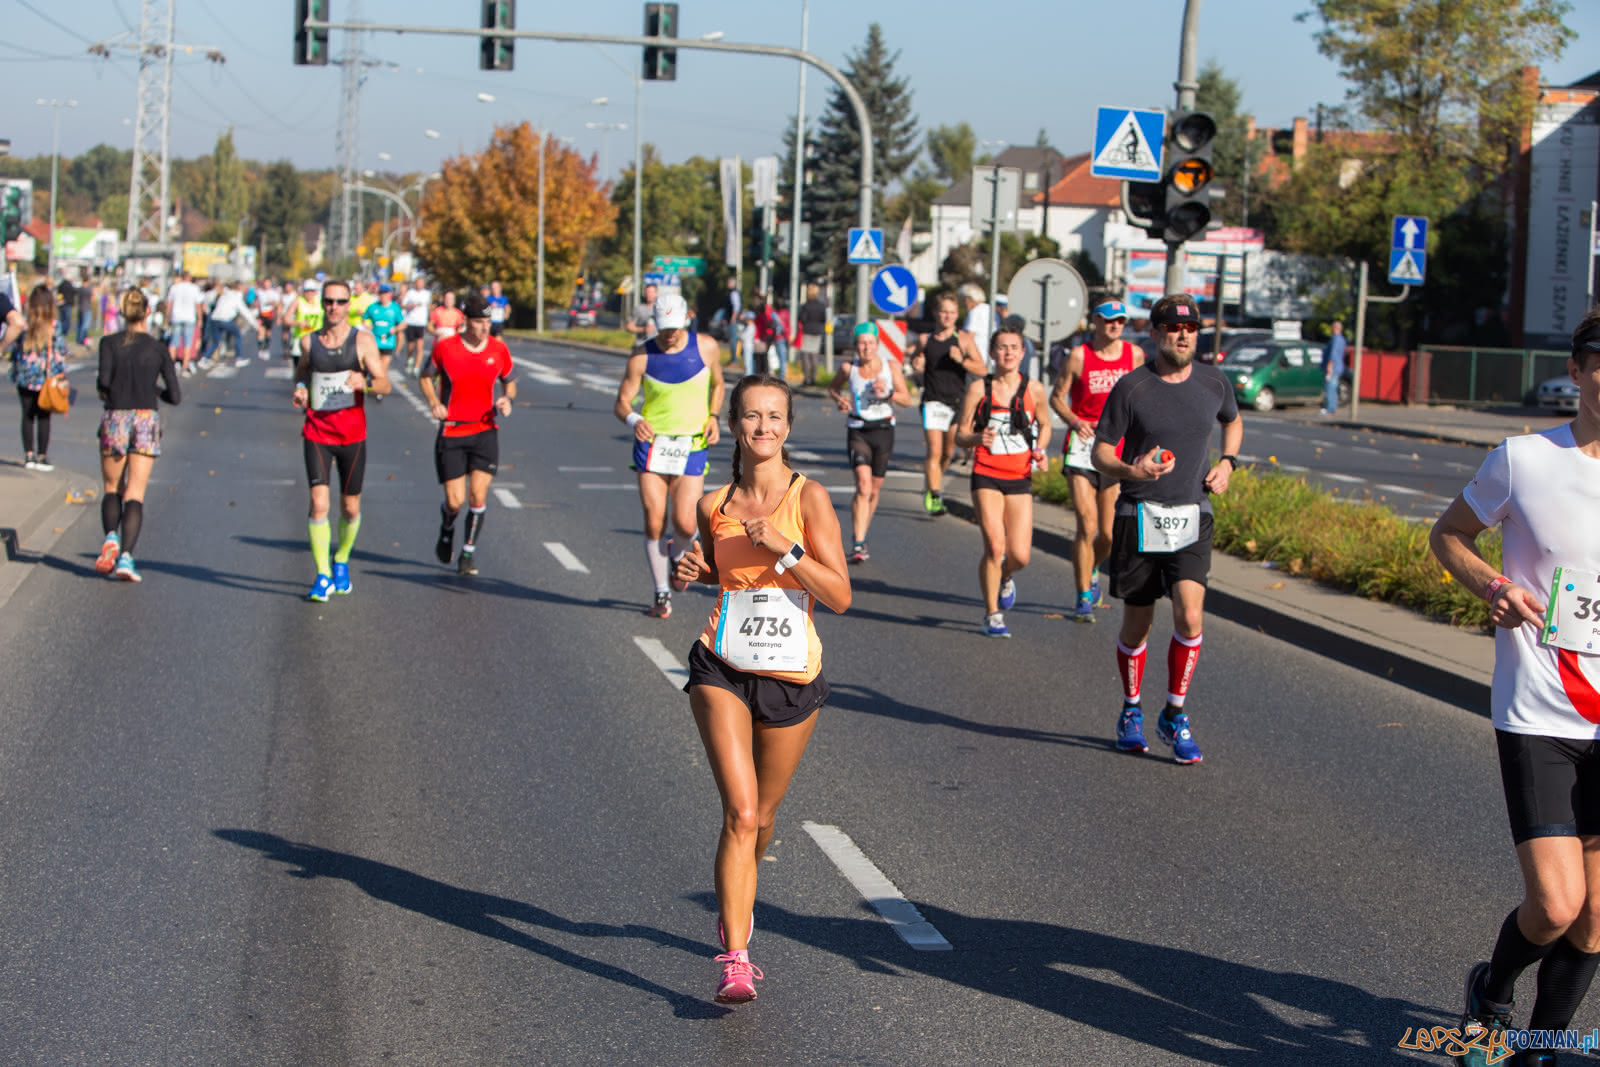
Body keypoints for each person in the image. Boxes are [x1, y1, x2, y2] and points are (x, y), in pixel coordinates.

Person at [1428, 307, 1600, 1067]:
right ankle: (1491, 991)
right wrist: (1492, 585)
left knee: (1596, 921)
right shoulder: (1525, 459)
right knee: (1555, 905)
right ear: (1579, 368)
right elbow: (1448, 534)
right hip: (1540, 706)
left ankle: (1537, 1047)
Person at [670, 373, 852, 1004]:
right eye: (752, 416)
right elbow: (713, 571)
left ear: (789, 427)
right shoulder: (712, 504)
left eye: (775, 417)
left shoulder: (810, 499)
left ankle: (736, 905)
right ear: (734, 424)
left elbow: (839, 595)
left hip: (792, 676)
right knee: (741, 812)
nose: (764, 428)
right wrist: (690, 570)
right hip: (720, 664)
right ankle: (736, 956)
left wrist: (785, 548)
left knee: (764, 818)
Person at [1092, 293, 1242, 764]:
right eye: (1174, 328)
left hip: (1192, 516)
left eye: (1191, 328)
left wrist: (1228, 463)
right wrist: (1132, 471)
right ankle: (1131, 709)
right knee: (1138, 627)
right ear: (1156, 334)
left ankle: (1174, 714)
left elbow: (1233, 423)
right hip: (1139, 516)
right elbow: (1101, 452)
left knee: (1190, 615)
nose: (1183, 335)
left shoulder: (1214, 382)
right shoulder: (1133, 388)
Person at [614, 291, 725, 618]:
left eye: (675, 327)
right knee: (654, 519)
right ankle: (662, 592)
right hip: (652, 445)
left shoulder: (706, 347)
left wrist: (714, 416)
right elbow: (621, 402)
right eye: (665, 328)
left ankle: (677, 554)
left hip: (691, 444)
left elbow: (718, 384)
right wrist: (635, 419)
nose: (670, 333)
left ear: (686, 320)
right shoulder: (641, 356)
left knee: (686, 520)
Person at [291, 280, 392, 602]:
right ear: (322, 304)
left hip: (352, 435)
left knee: (350, 508)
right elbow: (302, 373)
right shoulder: (309, 343)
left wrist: (366, 382)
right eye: (328, 301)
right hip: (317, 432)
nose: (333, 307)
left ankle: (342, 560)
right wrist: (301, 388)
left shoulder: (362, 342)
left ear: (350, 304)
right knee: (319, 503)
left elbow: (385, 385)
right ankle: (322, 575)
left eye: (339, 301)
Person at [1050, 299, 1146, 623]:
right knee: (1086, 523)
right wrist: (1075, 421)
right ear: (1095, 322)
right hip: (1081, 444)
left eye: (1120, 321)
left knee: (1108, 534)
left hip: (1114, 449)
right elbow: (1056, 396)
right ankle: (1082, 599)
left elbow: (1145, 395)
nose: (1114, 326)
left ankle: (1091, 569)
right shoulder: (1079, 356)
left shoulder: (1134, 356)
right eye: (1108, 321)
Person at [953, 325, 1051, 637]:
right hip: (986, 473)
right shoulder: (978, 390)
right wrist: (977, 437)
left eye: (1014, 347)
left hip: (1020, 476)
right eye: (1002, 347)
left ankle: (1006, 576)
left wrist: (1040, 449)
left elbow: (1045, 425)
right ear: (993, 352)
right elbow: (960, 435)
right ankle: (992, 614)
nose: (1008, 353)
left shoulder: (1034, 389)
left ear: (1023, 354)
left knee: (1020, 555)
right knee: (995, 546)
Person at [418, 290, 517, 577]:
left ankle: (468, 553)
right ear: (466, 321)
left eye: (489, 321)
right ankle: (447, 528)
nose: (486, 327)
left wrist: (507, 399)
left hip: (485, 430)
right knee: (454, 501)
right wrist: (435, 403)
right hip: (453, 432)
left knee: (478, 494)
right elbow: (425, 377)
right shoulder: (446, 348)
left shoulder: (498, 349)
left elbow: (509, 382)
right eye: (480, 322)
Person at [94, 287, 181, 583]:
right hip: (146, 418)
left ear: (122, 312)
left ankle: (111, 537)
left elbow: (104, 381)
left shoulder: (108, 343)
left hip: (116, 415)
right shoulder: (157, 348)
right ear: (147, 312)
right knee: (135, 492)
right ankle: (127, 558)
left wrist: (110, 389)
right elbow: (175, 395)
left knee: (111, 487)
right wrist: (152, 389)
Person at [828, 322, 912, 564]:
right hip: (858, 430)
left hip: (884, 430)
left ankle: (861, 531)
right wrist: (840, 400)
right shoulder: (848, 368)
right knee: (863, 486)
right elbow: (833, 389)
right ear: (855, 346)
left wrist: (888, 395)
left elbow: (906, 399)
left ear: (877, 345)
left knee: (874, 489)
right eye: (861, 343)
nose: (866, 348)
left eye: (870, 343)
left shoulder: (890, 367)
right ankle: (858, 542)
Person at [908, 291, 987, 516]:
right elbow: (915, 361)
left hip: (956, 402)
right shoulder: (925, 339)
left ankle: (934, 481)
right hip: (932, 401)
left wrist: (961, 360)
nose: (947, 316)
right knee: (934, 450)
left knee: (948, 453)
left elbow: (982, 369)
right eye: (943, 312)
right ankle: (934, 493)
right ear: (935, 313)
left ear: (956, 315)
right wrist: (918, 364)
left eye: (952, 313)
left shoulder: (963, 340)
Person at [10, 285, 68, 472]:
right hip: (46, 377)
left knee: (27, 416)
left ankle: (28, 455)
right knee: (44, 417)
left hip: (25, 376)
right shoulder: (54, 326)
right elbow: (60, 352)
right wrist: (60, 375)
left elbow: (15, 350)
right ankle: (42, 456)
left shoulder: (24, 324)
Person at [362, 283, 405, 386]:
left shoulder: (395, 308)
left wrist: (395, 329)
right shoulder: (373, 307)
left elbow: (403, 324)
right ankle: (372, 381)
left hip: (388, 342)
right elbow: (364, 319)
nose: (383, 296)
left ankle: (378, 387)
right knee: (373, 365)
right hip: (374, 341)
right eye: (381, 293)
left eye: (385, 293)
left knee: (383, 366)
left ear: (390, 294)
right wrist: (367, 326)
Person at [165, 270, 203, 374]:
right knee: (188, 343)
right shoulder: (194, 288)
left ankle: (171, 365)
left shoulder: (175, 287)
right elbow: (198, 305)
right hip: (189, 317)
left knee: (173, 342)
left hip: (176, 317)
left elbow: (169, 304)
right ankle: (185, 365)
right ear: (190, 278)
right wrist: (200, 319)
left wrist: (167, 318)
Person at [795, 283, 828, 386]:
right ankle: (813, 379)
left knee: (805, 356)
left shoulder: (806, 306)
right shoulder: (822, 306)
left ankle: (806, 378)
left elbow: (802, 319)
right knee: (814, 356)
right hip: (817, 332)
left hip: (807, 331)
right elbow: (824, 319)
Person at [401, 276, 431, 373]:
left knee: (420, 346)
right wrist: (411, 306)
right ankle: (410, 359)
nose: (419, 284)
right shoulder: (410, 293)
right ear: (415, 283)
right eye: (418, 282)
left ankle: (417, 367)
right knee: (411, 346)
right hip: (411, 321)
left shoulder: (427, 294)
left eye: (421, 283)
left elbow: (429, 306)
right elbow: (403, 305)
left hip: (421, 323)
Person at [290, 279, 325, 361]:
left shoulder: (321, 301)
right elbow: (286, 319)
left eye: (311, 291)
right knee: (299, 370)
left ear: (315, 291)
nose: (309, 293)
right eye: (307, 291)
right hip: (300, 339)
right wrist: (298, 323)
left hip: (317, 340)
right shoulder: (298, 301)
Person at [1322, 320, 1347, 416]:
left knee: (1330, 387)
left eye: (1332, 327)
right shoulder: (1341, 339)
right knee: (1333, 387)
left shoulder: (1336, 339)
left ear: (1335, 328)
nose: (1331, 329)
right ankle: (1332, 407)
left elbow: (1333, 354)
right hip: (1337, 367)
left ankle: (1330, 409)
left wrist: (1329, 367)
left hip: (1333, 367)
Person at [960, 283, 992, 356]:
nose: (963, 304)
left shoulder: (975, 311)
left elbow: (968, 336)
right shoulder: (990, 309)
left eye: (963, 300)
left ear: (968, 299)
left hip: (978, 356)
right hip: (991, 357)